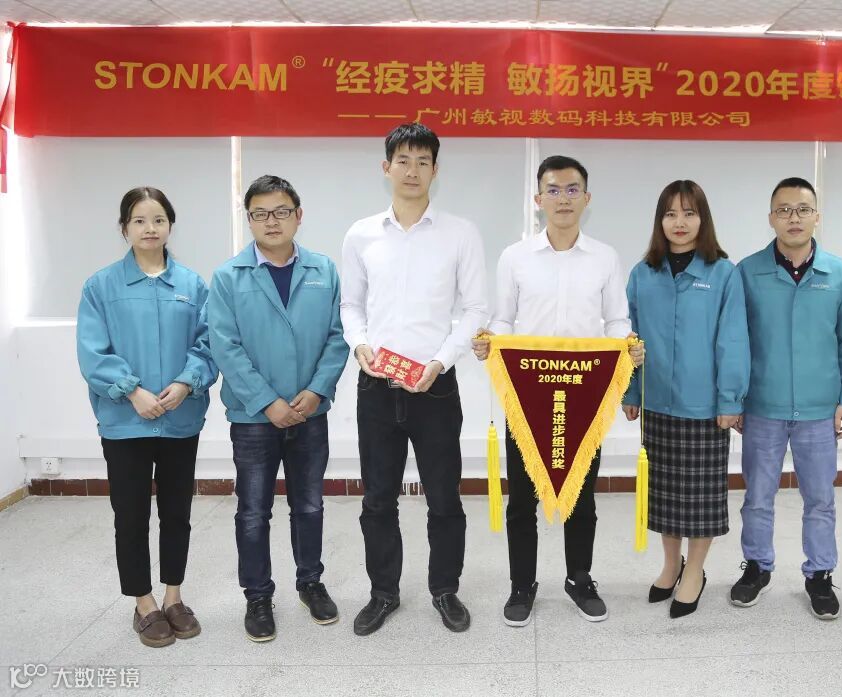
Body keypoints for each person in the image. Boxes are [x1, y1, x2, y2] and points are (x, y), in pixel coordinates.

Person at [473, 155, 644, 627]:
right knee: (522, 498)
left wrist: (626, 347)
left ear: (586, 198)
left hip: (585, 393)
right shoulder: (514, 257)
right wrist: (491, 342)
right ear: (538, 199)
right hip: (527, 394)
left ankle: (579, 578)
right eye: (553, 190)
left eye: (572, 190)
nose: (563, 199)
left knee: (582, 496)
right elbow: (504, 319)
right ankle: (521, 584)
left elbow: (616, 320)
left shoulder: (605, 257)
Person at [341, 123, 488, 636]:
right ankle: (383, 592)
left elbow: (476, 309)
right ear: (386, 168)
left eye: (423, 161)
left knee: (444, 498)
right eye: (403, 160)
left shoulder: (460, 233)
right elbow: (351, 304)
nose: (412, 170)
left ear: (435, 170)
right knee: (378, 499)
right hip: (377, 387)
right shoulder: (361, 234)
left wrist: (441, 361)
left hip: (436, 387)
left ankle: (445, 589)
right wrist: (359, 343)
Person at [207, 174, 349, 643]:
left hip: (310, 412)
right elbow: (225, 346)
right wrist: (267, 401)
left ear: (298, 215)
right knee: (253, 511)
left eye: (281, 211)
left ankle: (310, 582)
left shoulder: (324, 270)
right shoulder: (228, 277)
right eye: (261, 214)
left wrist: (317, 391)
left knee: (309, 504)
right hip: (254, 418)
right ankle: (258, 596)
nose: (272, 221)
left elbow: (338, 336)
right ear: (248, 219)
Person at [76, 187, 217, 648]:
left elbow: (208, 344)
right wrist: (131, 391)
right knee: (131, 515)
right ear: (124, 228)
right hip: (126, 421)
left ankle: (174, 597)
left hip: (180, 419)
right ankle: (143, 602)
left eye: (158, 219)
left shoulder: (192, 285)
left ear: (170, 226)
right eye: (139, 220)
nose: (149, 228)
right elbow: (93, 353)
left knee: (177, 513)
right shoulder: (101, 286)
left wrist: (186, 383)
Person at [731, 177, 842, 620]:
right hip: (762, 407)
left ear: (816, 217)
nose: (794, 218)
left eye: (803, 209)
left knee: (820, 499)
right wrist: (735, 398)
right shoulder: (747, 272)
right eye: (784, 210)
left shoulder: (838, 273)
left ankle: (820, 573)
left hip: (819, 410)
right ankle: (757, 566)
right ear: (771, 218)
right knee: (757, 496)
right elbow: (736, 340)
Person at [621, 180, 750, 618]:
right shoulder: (643, 273)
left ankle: (694, 571)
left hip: (705, 406)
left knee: (700, 498)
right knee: (663, 493)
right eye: (671, 213)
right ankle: (670, 564)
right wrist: (630, 389)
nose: (680, 222)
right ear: (660, 220)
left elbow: (733, 339)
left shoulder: (723, 273)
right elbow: (629, 338)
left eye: (689, 213)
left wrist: (730, 400)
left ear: (703, 219)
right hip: (656, 400)